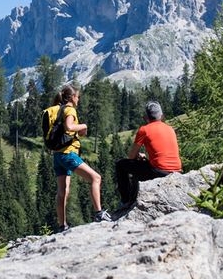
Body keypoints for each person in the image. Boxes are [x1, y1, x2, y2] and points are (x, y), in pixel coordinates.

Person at [44, 84, 111, 232]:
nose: (79, 99)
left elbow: (71, 132)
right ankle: (99, 214)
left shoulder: (56, 110)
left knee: (63, 191)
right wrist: (83, 125)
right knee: (96, 178)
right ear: (73, 97)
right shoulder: (70, 110)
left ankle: (63, 226)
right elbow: (69, 127)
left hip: (57, 155)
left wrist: (80, 130)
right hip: (68, 154)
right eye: (78, 97)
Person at [114, 101, 182, 208]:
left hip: (159, 171)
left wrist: (137, 156)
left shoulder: (144, 130)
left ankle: (125, 201)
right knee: (143, 165)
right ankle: (133, 198)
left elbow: (131, 157)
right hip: (177, 170)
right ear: (161, 115)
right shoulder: (170, 129)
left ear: (146, 117)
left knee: (121, 164)